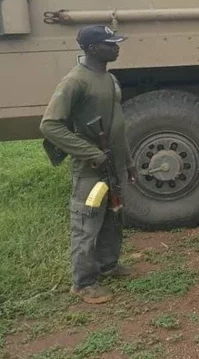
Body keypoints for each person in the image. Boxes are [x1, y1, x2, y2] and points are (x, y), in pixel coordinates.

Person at [40, 25, 138, 305]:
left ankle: (108, 265)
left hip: (113, 163)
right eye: (111, 44)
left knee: (112, 215)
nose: (117, 47)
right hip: (90, 168)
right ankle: (83, 283)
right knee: (86, 223)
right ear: (93, 49)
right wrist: (89, 153)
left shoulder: (108, 78)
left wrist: (129, 162)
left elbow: (118, 126)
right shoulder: (75, 81)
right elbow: (50, 125)